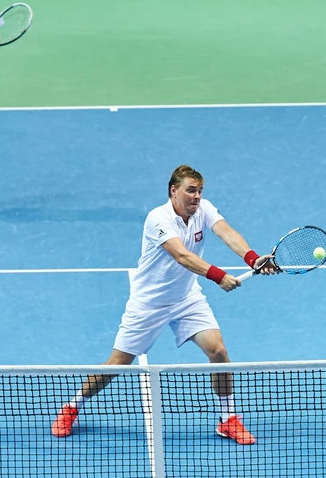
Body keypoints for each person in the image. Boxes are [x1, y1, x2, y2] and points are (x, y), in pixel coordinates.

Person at [51, 165, 279, 444]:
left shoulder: (204, 209)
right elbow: (181, 256)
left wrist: (252, 258)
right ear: (173, 191)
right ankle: (72, 407)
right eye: (191, 190)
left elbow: (227, 233)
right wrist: (218, 276)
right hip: (149, 303)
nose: (197, 196)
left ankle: (228, 418)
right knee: (117, 364)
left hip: (186, 298)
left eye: (200, 191)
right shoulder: (157, 219)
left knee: (218, 351)